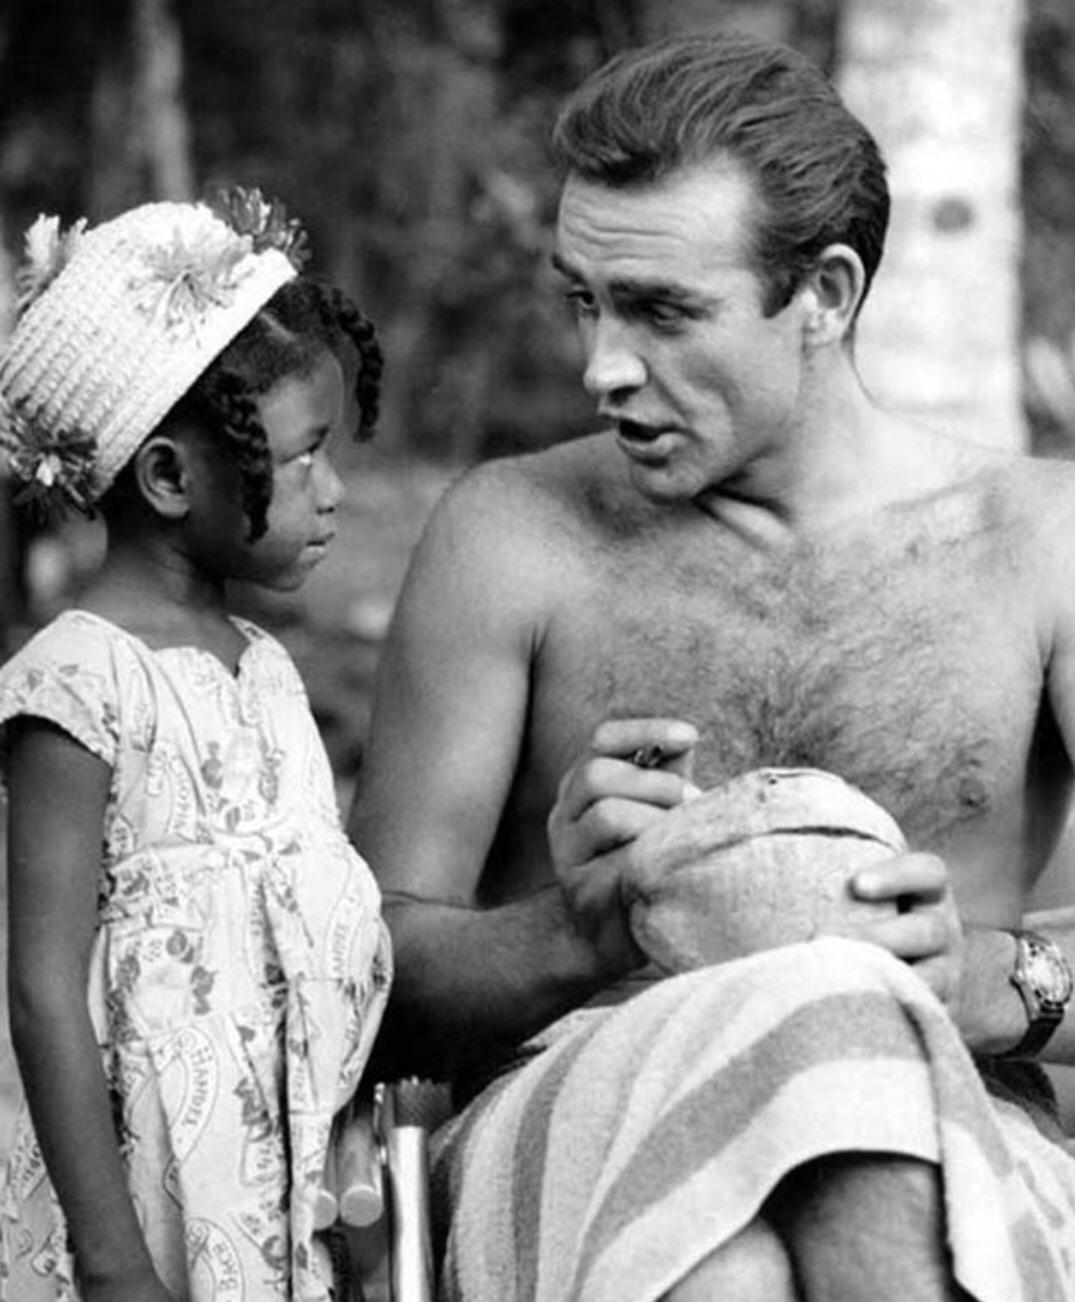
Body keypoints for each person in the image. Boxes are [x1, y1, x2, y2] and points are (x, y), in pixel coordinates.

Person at [349, 31, 1075, 1302]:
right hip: (577, 1109)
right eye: (583, 299)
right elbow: (356, 982)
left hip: (954, 1113)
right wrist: (578, 929)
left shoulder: (1040, 542)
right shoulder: (510, 537)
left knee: (766, 1204)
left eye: (663, 311)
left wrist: (993, 985)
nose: (602, 366)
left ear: (826, 294)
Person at [0, 191, 391, 1301]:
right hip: (140, 1201)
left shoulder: (265, 669)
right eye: (303, 457)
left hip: (273, 1195)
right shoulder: (78, 684)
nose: (334, 493)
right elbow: (40, 990)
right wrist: (113, 1262)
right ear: (171, 478)